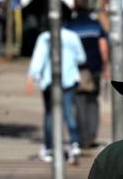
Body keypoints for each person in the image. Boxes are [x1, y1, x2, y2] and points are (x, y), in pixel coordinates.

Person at [25, 18, 86, 163]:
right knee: (68, 113)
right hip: (69, 80)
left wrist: (31, 77)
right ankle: (74, 145)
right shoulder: (72, 36)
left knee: (49, 114)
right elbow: (82, 58)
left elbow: (38, 58)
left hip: (49, 81)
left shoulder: (45, 37)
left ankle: (48, 147)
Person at [66, 0, 109, 148]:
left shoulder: (69, 26)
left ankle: (82, 137)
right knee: (93, 102)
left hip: (76, 70)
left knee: (79, 102)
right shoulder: (95, 24)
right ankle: (91, 136)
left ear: (75, 7)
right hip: (94, 68)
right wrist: (105, 66)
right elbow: (103, 45)